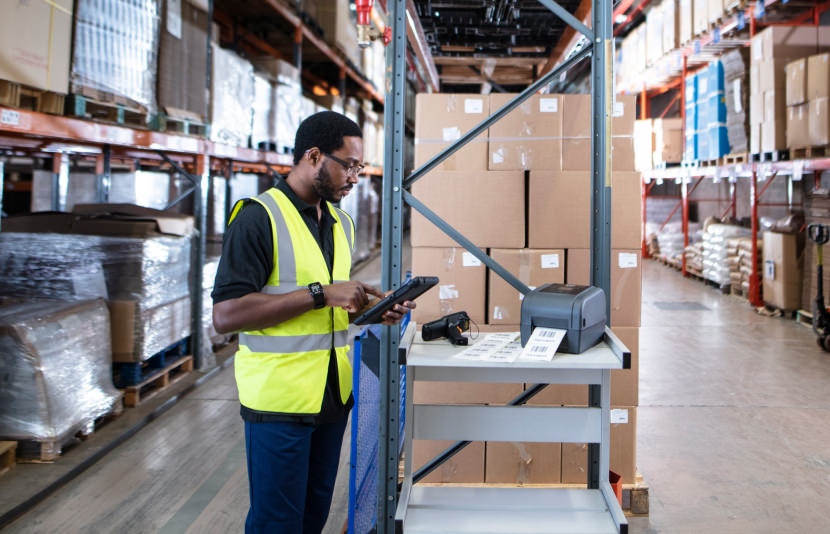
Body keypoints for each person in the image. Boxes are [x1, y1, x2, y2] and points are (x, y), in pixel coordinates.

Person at [212, 111, 414, 534]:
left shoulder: (341, 222)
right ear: (314, 155)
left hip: (331, 395)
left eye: (360, 167)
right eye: (350, 165)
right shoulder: (257, 217)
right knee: (277, 523)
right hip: (279, 401)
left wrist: (367, 309)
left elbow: (329, 309)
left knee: (312, 517)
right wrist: (322, 293)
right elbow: (226, 315)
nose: (356, 177)